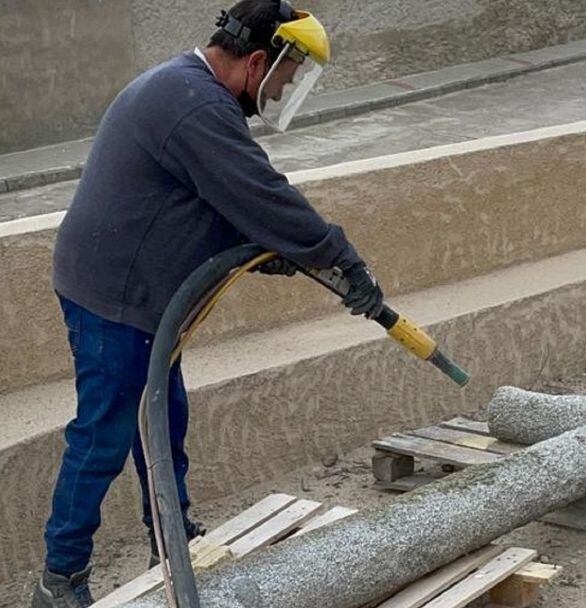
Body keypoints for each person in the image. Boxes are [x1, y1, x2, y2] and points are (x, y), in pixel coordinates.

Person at [32, 1, 383, 605]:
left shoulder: (190, 92)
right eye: (286, 77)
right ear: (254, 62)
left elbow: (211, 202)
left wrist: (271, 253)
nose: (284, 91)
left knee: (162, 422)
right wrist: (339, 258)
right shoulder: (194, 105)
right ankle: (60, 579)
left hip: (137, 294)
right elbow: (261, 193)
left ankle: (170, 540)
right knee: (105, 435)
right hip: (116, 299)